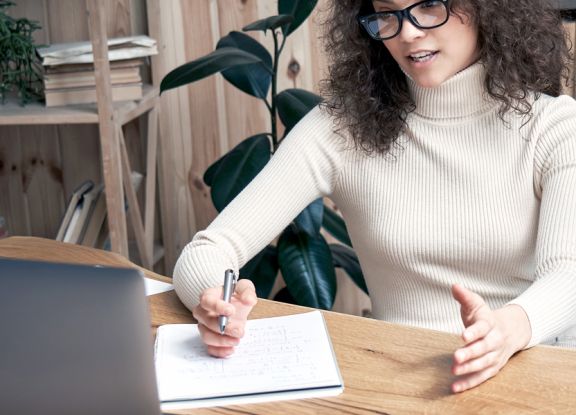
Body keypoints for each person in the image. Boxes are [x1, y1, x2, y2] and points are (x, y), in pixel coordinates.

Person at [172, 0, 576, 393]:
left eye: (430, 6)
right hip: (395, 384)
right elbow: (208, 250)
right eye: (387, 14)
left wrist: (510, 329)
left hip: (530, 377)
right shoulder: (341, 129)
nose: (410, 32)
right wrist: (213, 301)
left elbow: (568, 272)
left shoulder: (553, 128)